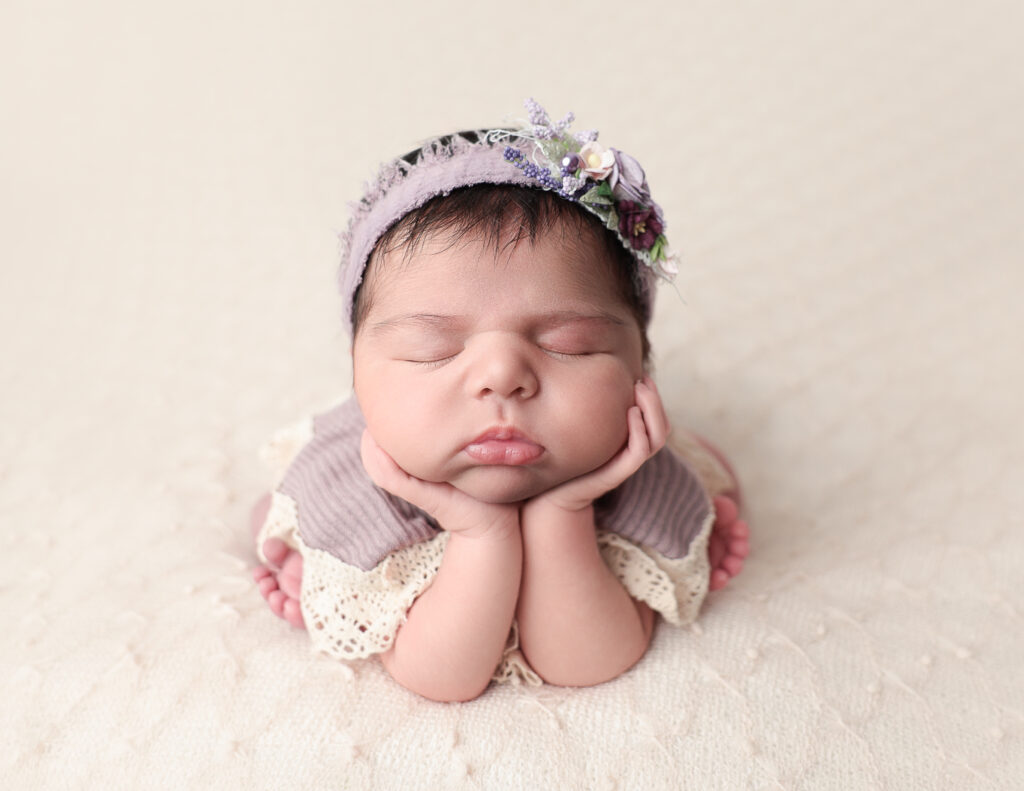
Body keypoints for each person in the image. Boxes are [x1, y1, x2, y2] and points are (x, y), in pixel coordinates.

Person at [250, 100, 750, 702]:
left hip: (595, 480)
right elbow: (441, 677)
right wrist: (480, 532)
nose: (501, 378)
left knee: (707, 490)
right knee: (287, 514)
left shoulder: (638, 485)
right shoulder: (364, 495)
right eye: (430, 348)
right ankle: (292, 548)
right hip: (392, 488)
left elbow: (587, 662)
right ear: (359, 373)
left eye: (571, 345)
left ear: (639, 365)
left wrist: (566, 511)